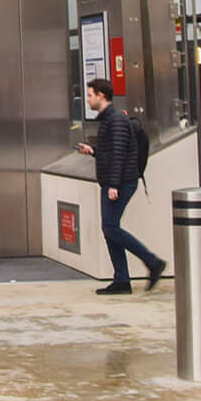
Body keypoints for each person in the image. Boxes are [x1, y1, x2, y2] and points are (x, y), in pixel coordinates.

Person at [76, 78, 165, 295]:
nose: (87, 99)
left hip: (120, 182)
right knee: (110, 229)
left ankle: (152, 262)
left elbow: (119, 155)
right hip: (114, 181)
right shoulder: (109, 120)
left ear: (101, 96)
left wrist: (114, 185)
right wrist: (93, 151)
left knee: (111, 228)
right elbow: (111, 152)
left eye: (90, 95)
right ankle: (122, 279)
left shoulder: (115, 121)